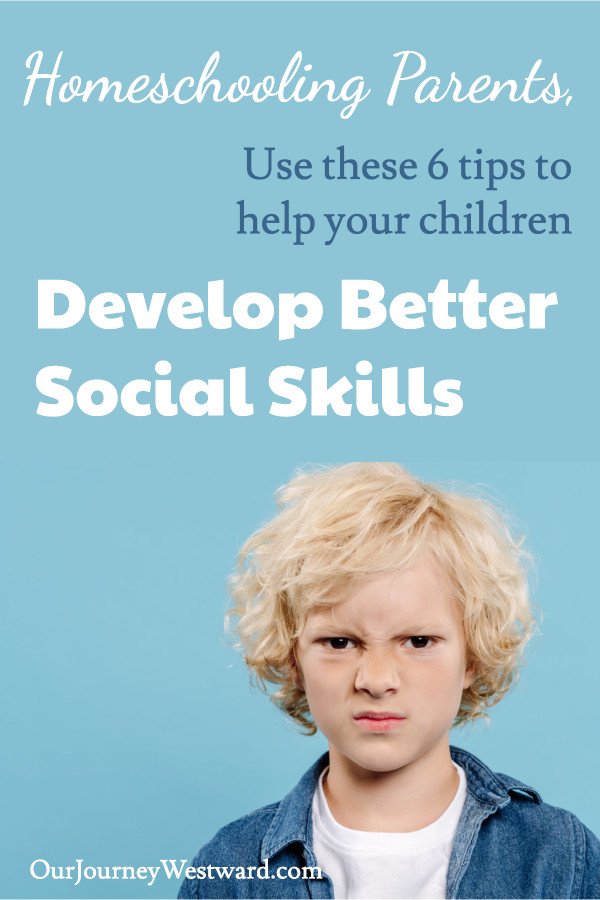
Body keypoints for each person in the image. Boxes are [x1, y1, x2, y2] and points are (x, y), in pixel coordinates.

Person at [178, 463, 600, 899]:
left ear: (472, 656)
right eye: (340, 642)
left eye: (418, 640)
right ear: (293, 660)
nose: (377, 680)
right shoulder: (231, 870)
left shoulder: (557, 857)